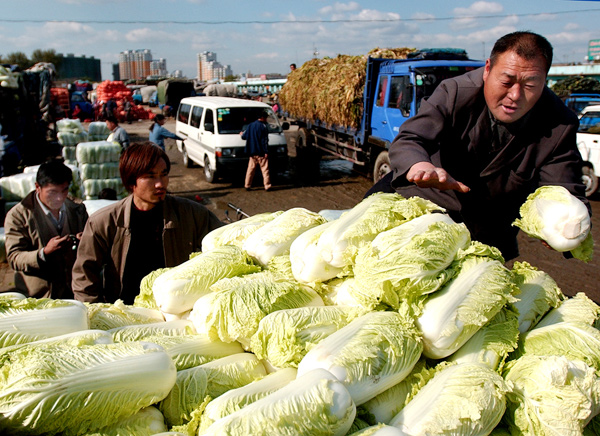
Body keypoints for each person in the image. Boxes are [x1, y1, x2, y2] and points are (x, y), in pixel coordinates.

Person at [368, 31, 588, 261]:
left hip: (489, 232)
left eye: (531, 84)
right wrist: (419, 164)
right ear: (487, 69)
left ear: (545, 80)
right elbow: (411, 137)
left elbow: (565, 188)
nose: (515, 95)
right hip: (425, 208)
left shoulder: (559, 122)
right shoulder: (455, 92)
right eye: (506, 81)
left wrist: (570, 228)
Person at [71, 142, 223, 304]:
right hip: (124, 312)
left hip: (176, 312)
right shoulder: (105, 221)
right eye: (150, 176)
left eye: (164, 174)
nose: (160, 184)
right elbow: (84, 275)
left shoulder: (193, 214)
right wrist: (95, 313)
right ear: (131, 182)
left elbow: (224, 248)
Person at [4, 160, 89, 299]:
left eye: (64, 190)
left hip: (74, 290)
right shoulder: (19, 215)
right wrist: (44, 253)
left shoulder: (77, 208)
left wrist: (85, 241)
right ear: (38, 187)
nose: (59, 197)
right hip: (41, 295)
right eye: (52, 192)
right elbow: (14, 257)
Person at [241, 111, 271, 191]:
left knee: (250, 169)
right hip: (261, 152)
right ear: (262, 118)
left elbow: (244, 136)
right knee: (265, 170)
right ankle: (267, 185)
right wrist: (266, 152)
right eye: (266, 117)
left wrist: (241, 134)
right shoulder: (263, 127)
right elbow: (264, 141)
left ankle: (247, 185)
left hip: (252, 152)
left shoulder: (250, 125)